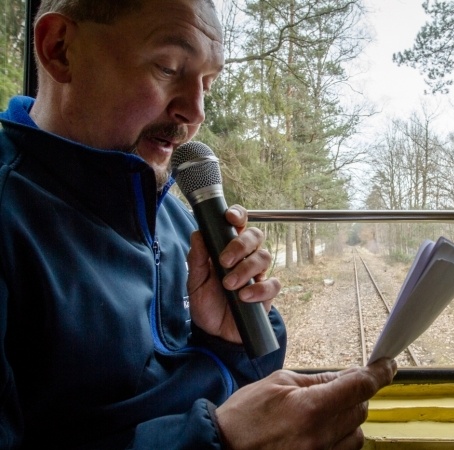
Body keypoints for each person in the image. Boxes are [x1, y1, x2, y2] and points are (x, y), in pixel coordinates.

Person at [0, 0, 397, 448]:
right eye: (168, 68)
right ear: (59, 49)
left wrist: (227, 344)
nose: (196, 111)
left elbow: (217, 400)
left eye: (207, 84)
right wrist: (220, 440)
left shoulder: (174, 219)